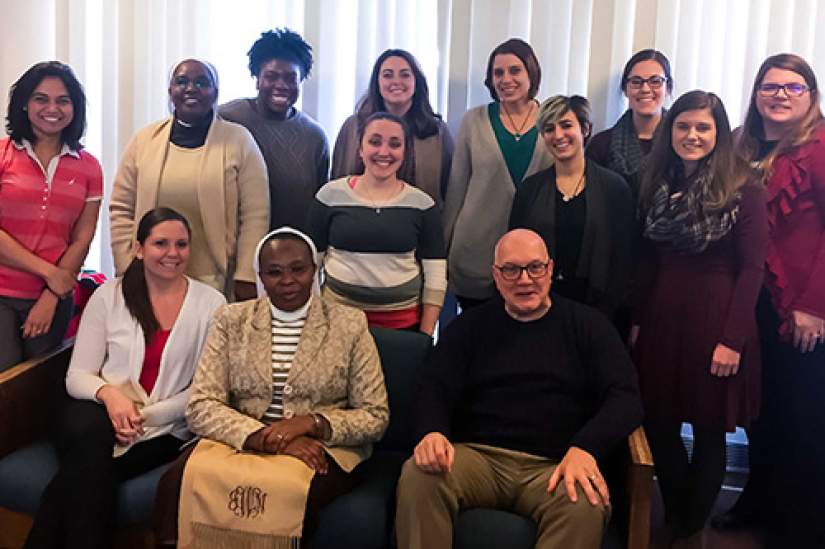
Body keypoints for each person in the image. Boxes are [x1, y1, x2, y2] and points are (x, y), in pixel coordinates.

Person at [395, 228, 643, 549]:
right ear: (496, 276)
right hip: (478, 458)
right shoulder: (469, 327)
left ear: (550, 270)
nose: (525, 280)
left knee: (584, 503)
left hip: (555, 464)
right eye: (511, 270)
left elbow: (626, 398)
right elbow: (432, 385)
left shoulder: (590, 326)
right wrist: (432, 432)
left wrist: (586, 447)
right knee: (419, 476)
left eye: (535, 268)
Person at [153, 227, 389, 548]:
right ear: (261, 277)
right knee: (176, 483)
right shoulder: (231, 320)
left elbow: (375, 416)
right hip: (239, 438)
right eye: (274, 272)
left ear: (314, 271)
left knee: (287, 494)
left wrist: (311, 423)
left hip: (319, 447)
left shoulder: (349, 324)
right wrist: (269, 439)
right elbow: (202, 405)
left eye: (298, 269)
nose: (288, 280)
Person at [23, 208, 226, 549]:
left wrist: (141, 417)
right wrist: (112, 397)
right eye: (161, 243)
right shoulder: (110, 296)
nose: (173, 253)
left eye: (181, 244)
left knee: (84, 474)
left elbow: (205, 390)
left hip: (164, 427)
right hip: (94, 411)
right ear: (139, 248)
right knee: (92, 437)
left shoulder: (211, 305)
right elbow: (77, 376)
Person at [632, 90, 766, 547]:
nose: (692, 135)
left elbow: (752, 269)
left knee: (709, 429)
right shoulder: (657, 183)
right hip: (662, 317)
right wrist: (637, 322)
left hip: (716, 318)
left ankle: (689, 528)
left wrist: (732, 340)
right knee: (659, 421)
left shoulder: (744, 188)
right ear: (671, 131)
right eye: (683, 126)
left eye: (703, 127)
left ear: (718, 133)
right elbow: (647, 261)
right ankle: (681, 514)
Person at [712, 54, 825, 546]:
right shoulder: (741, 146)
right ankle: (758, 503)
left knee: (802, 419)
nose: (779, 95)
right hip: (752, 301)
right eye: (770, 86)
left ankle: (800, 525)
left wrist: (816, 305)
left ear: (811, 97)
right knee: (762, 412)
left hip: (801, 307)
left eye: (792, 87)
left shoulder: (819, 149)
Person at [110, 58, 269, 301]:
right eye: (181, 81)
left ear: (215, 92)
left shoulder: (238, 141)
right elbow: (121, 209)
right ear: (170, 91)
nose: (191, 88)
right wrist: (126, 266)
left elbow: (255, 213)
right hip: (151, 278)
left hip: (215, 280)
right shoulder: (144, 141)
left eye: (201, 82)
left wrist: (246, 274)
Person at [0, 61, 102, 372]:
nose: (52, 108)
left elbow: (83, 237)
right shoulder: (3, 153)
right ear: (25, 104)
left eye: (63, 100)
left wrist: (52, 293)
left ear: (75, 107)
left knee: (39, 392)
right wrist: (50, 273)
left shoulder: (89, 166)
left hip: (54, 300)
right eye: (41, 98)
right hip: (2, 293)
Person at [308, 112, 446, 335]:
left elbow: (436, 274)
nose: (384, 151)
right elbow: (310, 266)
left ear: (405, 151)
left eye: (395, 144)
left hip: (402, 326)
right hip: (338, 323)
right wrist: (316, 320)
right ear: (360, 149)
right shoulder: (329, 196)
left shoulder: (422, 204)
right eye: (374, 142)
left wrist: (426, 335)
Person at [443, 38, 553, 310]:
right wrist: (442, 251)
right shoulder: (474, 121)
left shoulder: (553, 122)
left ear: (531, 73)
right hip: (475, 253)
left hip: (531, 259)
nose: (506, 79)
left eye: (515, 70)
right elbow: (456, 189)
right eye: (498, 73)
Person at [510, 95, 632, 318]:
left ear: (585, 129)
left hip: (598, 310)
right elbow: (515, 253)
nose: (558, 135)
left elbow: (623, 261)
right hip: (540, 307)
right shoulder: (530, 190)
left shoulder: (615, 188)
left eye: (566, 125)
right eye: (549, 129)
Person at [220, 28, 330, 231]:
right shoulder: (226, 119)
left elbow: (319, 206)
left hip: (290, 251)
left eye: (290, 78)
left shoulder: (314, 136)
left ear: (301, 81)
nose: (281, 85)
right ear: (257, 78)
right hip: (233, 248)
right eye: (271, 76)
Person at [332, 48, 453, 207]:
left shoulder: (437, 132)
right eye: (388, 75)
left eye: (405, 75)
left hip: (418, 223)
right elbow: (337, 182)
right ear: (377, 82)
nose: (396, 81)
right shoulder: (353, 127)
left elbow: (449, 190)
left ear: (416, 82)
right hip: (357, 221)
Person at [587, 49, 673, 194]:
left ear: (668, 88)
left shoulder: (681, 143)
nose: (645, 89)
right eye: (636, 82)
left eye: (655, 81)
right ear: (625, 90)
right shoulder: (601, 145)